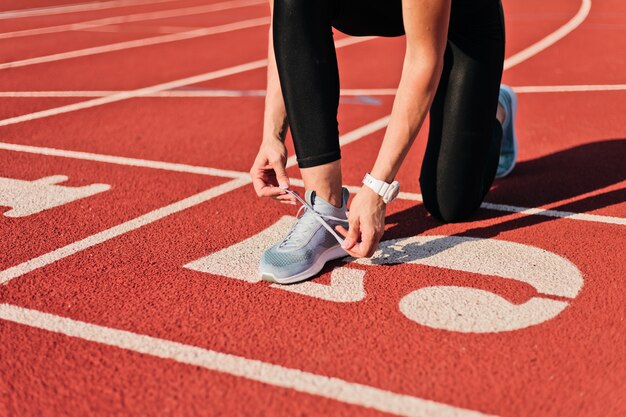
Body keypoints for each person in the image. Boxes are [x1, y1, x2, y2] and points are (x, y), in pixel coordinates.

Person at [249, 0, 518, 284]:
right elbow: (286, 30)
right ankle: (325, 211)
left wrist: (377, 187)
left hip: (464, 26)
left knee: (450, 203)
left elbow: (424, 59)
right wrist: (273, 135)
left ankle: (496, 109)